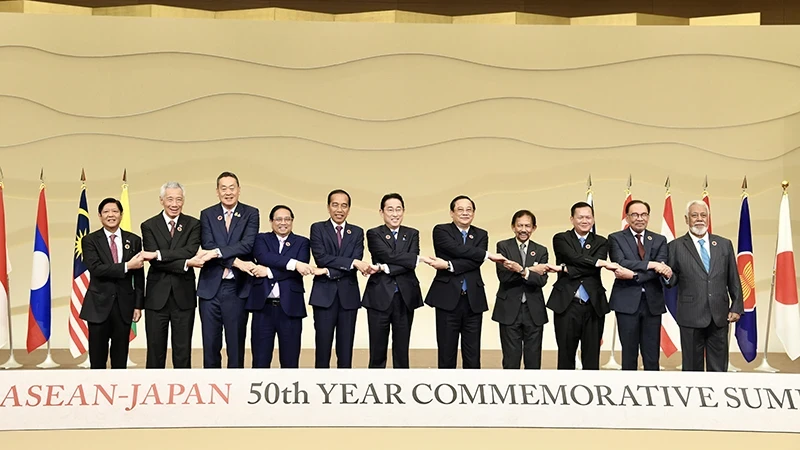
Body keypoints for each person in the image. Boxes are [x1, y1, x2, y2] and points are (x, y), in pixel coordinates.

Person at [424, 195, 506, 369]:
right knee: (446, 352)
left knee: (473, 353)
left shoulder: (481, 234)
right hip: (447, 299)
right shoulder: (441, 230)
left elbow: (475, 261)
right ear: (452, 213)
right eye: (460, 209)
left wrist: (448, 264)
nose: (465, 213)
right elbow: (454, 248)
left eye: (469, 209)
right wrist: (486, 254)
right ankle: (446, 392)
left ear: (474, 213)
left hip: (473, 300)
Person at [666, 200, 743, 371]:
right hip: (690, 315)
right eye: (694, 215)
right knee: (692, 366)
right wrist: (666, 276)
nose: (699, 219)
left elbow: (733, 279)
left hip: (719, 314)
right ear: (687, 219)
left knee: (719, 367)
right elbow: (671, 281)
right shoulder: (675, 247)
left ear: (708, 218)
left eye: (703, 215)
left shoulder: (724, 244)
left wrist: (737, 306)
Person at [196, 171, 260, 369]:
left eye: (232, 188)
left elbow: (247, 245)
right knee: (210, 344)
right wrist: (236, 262)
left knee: (236, 344)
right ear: (217, 192)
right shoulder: (207, 214)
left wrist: (217, 253)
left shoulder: (251, 213)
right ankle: (212, 390)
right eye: (223, 188)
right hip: (210, 289)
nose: (228, 192)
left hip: (237, 288)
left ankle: (236, 390)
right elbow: (207, 243)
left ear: (239, 190)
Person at [140, 181, 203, 369]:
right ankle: (153, 391)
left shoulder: (193, 224)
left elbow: (190, 250)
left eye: (179, 199)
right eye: (170, 199)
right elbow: (154, 261)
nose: (174, 204)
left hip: (183, 296)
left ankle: (182, 392)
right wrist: (185, 262)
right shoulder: (149, 225)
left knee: (183, 349)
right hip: (156, 297)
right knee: (155, 349)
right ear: (161, 201)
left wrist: (160, 254)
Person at [79, 197, 146, 369]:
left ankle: (119, 392)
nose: (111, 215)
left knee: (120, 357)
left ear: (121, 214)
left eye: (115, 211)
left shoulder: (134, 240)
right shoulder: (90, 240)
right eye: (106, 212)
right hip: (98, 306)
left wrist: (138, 305)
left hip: (124, 306)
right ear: (100, 216)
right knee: (97, 357)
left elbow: (139, 276)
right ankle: (97, 392)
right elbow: (96, 269)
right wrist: (126, 266)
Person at [545, 201, 613, 370]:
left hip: (593, 304)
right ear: (572, 219)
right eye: (580, 217)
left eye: (588, 217)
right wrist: (596, 262)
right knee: (566, 353)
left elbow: (587, 268)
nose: (585, 220)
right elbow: (573, 257)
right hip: (567, 304)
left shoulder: (602, 241)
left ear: (593, 219)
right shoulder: (561, 238)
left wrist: (565, 269)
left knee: (592, 354)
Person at [309, 189, 371, 368]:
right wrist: (352, 263)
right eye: (335, 205)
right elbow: (321, 258)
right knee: (322, 348)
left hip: (348, 297)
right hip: (324, 296)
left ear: (349, 209)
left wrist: (328, 271)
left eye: (344, 206)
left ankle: (345, 391)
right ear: (328, 207)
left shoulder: (357, 232)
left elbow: (356, 258)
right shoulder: (318, 228)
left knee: (345, 350)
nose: (339, 209)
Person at [362, 193, 425, 369]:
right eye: (390, 209)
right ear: (382, 212)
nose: (395, 214)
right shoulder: (374, 233)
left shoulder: (412, 233)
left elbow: (411, 262)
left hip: (405, 297)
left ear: (403, 211)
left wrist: (384, 268)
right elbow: (386, 255)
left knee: (402, 348)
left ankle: (402, 387)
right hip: (379, 296)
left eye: (398, 209)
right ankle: (375, 387)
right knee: (377, 349)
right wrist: (409, 260)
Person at [608, 199, 671, 371]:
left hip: (652, 303)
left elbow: (661, 268)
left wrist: (634, 275)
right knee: (629, 354)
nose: (639, 218)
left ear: (648, 217)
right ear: (627, 218)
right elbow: (621, 262)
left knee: (652, 355)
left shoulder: (659, 240)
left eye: (643, 214)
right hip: (626, 302)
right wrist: (651, 265)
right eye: (635, 215)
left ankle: (652, 394)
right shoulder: (615, 238)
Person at [246, 205, 312, 368]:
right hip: (263, 308)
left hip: (290, 308)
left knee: (290, 362)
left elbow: (298, 270)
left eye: (287, 219)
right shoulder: (261, 239)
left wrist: (268, 272)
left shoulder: (302, 242)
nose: (283, 223)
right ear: (271, 221)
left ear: (292, 221)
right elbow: (264, 256)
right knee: (260, 361)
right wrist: (293, 263)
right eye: (279, 219)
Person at [492, 210, 550, 369]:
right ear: (513, 227)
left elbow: (541, 280)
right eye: (520, 225)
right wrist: (530, 271)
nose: (523, 229)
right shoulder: (503, 246)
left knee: (533, 358)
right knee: (511, 358)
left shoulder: (541, 250)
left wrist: (520, 270)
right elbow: (504, 276)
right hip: (509, 308)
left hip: (534, 310)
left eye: (527, 226)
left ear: (534, 228)